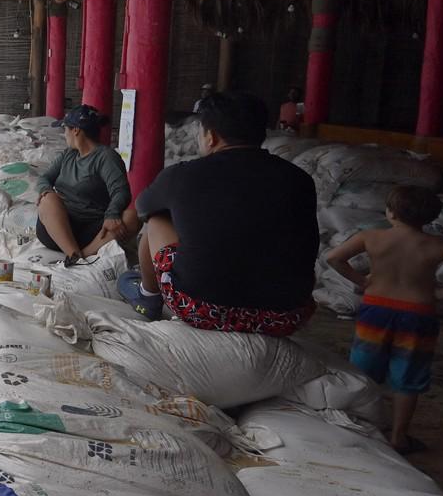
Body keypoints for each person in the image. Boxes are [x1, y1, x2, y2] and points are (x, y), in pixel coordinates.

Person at [118, 91, 318, 335]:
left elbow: (142, 207)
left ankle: (147, 297)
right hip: (287, 315)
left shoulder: (183, 175)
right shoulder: (300, 179)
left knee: (157, 218)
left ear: (211, 136)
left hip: (203, 309)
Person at [325, 185, 443, 453]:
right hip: (417, 314)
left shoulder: (371, 237)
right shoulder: (440, 245)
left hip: (376, 310)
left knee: (364, 372)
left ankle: (358, 429)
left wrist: (362, 281)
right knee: (408, 377)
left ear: (390, 212)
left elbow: (333, 257)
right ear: (431, 217)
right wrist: (440, 295)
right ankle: (399, 437)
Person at [35, 105, 131, 265]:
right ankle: (73, 253)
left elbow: (121, 191)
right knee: (47, 200)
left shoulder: (106, 157)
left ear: (76, 130)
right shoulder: (68, 155)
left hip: (92, 232)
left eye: (65, 129)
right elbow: (44, 178)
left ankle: (80, 258)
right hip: (59, 230)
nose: (64, 134)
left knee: (132, 217)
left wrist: (112, 214)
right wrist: (47, 190)